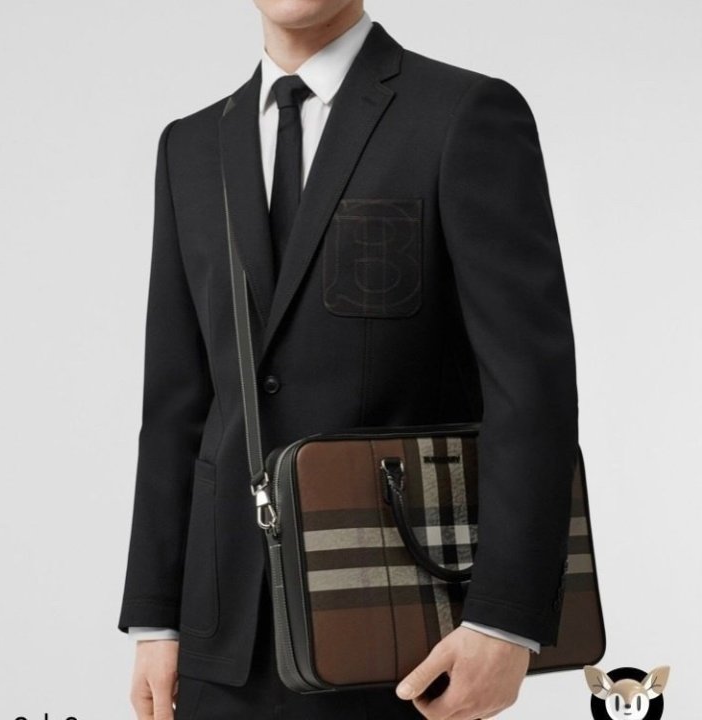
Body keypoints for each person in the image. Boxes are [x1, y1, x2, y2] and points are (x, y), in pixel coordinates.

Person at [118, 1, 579, 718]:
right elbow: (177, 400)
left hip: (396, 623)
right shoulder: (190, 145)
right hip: (222, 638)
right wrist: (157, 619)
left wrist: (503, 619)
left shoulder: (462, 115)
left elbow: (531, 386)